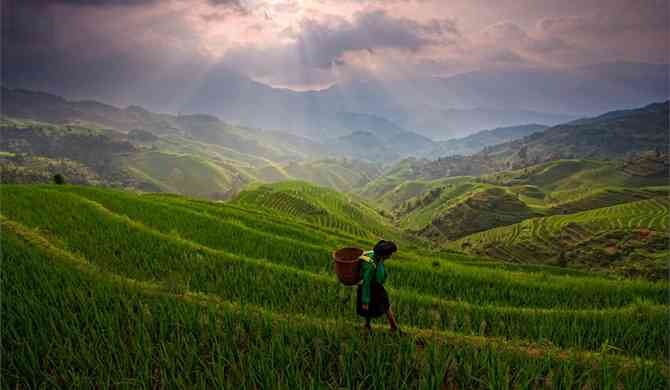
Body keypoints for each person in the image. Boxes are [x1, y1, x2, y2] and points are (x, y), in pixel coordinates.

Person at [356, 240, 401, 333]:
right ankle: (394, 327)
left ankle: (368, 325)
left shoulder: (376, 256)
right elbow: (366, 283)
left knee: (375, 307)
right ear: (383, 255)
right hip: (372, 288)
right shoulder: (370, 266)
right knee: (384, 305)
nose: (390, 256)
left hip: (376, 285)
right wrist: (365, 300)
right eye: (390, 254)